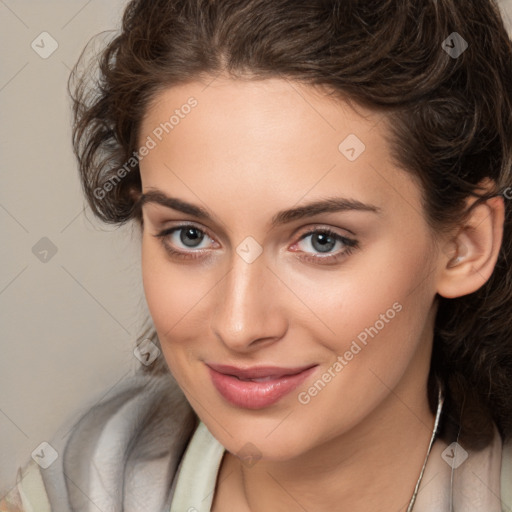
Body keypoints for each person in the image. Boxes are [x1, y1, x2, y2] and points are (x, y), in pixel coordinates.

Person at [2, 0, 512, 510]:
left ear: (464, 245)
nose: (239, 325)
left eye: (322, 241)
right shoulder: (81, 480)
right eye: (190, 235)